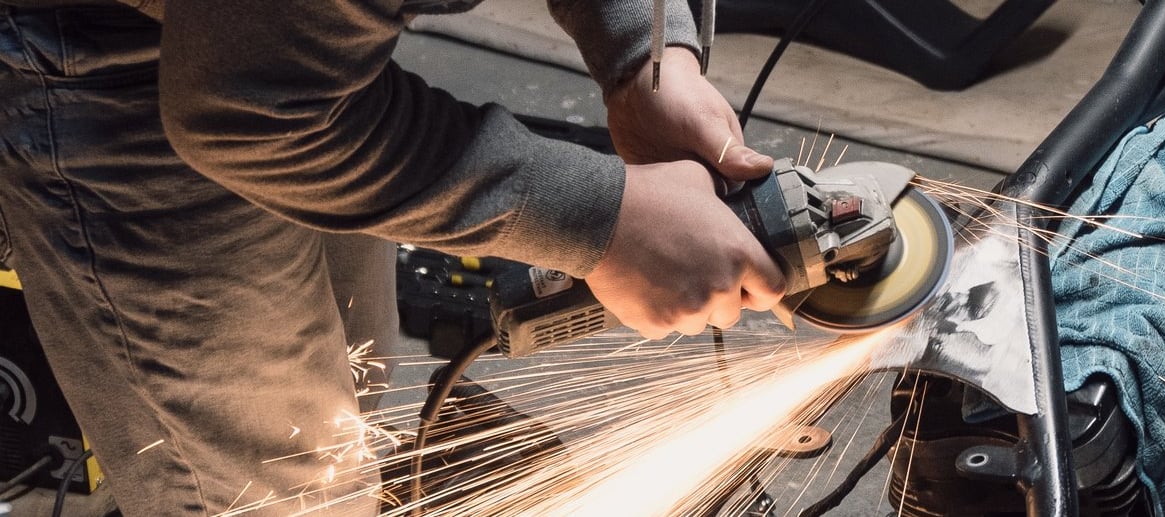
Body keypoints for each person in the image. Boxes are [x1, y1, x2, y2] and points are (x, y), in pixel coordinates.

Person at [0, 0, 784, 514]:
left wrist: (646, 58)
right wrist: (600, 222)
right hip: (109, 59)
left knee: (348, 413)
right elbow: (245, 112)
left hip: (299, 52)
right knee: (272, 495)